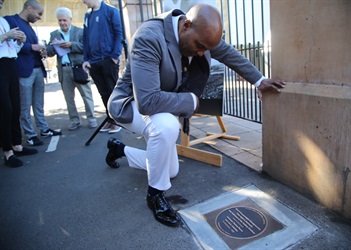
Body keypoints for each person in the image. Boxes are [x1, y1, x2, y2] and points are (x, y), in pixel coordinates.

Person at [106, 4, 285, 227]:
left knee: (170, 170)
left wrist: (259, 80)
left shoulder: (200, 36)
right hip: (131, 103)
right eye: (199, 46)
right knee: (167, 126)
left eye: (205, 49)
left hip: (161, 105)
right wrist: (191, 101)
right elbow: (147, 101)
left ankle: (119, 149)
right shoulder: (148, 38)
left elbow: (229, 54)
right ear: (186, 26)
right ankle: (155, 196)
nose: (201, 53)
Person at [5, 0, 62, 146]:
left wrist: (41, 51)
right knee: (25, 105)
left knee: (38, 104)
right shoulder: (10, 20)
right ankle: (30, 135)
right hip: (23, 70)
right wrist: (32, 47)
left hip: (37, 68)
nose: (39, 17)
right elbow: (10, 44)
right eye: (39, 13)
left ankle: (43, 129)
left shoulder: (30, 27)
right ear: (29, 8)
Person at [0, 0, 38, 168]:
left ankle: (17, 145)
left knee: (15, 107)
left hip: (10, 64)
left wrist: (19, 41)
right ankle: (7, 152)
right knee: (5, 109)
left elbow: (10, 48)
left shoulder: (2, 21)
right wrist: (6, 36)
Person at [46, 7, 97, 131]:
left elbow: (87, 47)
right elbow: (49, 52)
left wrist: (71, 45)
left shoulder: (80, 32)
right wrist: (53, 45)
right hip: (64, 70)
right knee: (69, 98)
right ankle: (74, 120)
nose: (62, 23)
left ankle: (91, 119)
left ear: (70, 19)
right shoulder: (54, 34)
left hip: (79, 68)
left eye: (64, 20)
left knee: (86, 95)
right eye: (60, 20)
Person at [81, 0, 123, 134]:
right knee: (103, 93)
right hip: (94, 61)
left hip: (108, 59)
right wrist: (86, 59)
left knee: (112, 91)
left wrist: (115, 56)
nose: (83, 1)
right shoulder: (87, 16)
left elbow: (119, 33)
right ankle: (110, 119)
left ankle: (118, 121)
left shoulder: (111, 11)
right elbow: (85, 38)